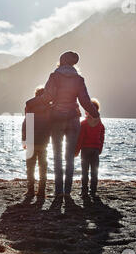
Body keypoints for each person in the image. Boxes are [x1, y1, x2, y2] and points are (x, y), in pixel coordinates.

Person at [28, 51, 100, 197]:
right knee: (69, 157)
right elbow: (85, 101)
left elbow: (47, 97)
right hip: (74, 120)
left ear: (61, 61)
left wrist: (31, 102)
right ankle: (67, 192)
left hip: (57, 119)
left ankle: (58, 191)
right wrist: (95, 114)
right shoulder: (79, 79)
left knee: (57, 156)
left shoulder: (54, 76)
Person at [22, 88, 51, 198]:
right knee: (42, 167)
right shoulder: (49, 108)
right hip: (43, 143)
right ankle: (41, 191)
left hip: (30, 142)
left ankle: (30, 191)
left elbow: (25, 124)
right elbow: (50, 126)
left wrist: (24, 139)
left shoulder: (30, 107)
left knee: (30, 167)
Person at [75, 99, 105, 197]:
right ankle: (93, 190)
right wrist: (99, 149)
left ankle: (84, 190)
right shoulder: (100, 124)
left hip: (85, 150)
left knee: (84, 171)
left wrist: (76, 150)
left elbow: (80, 139)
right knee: (94, 172)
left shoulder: (83, 124)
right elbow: (102, 138)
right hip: (95, 150)